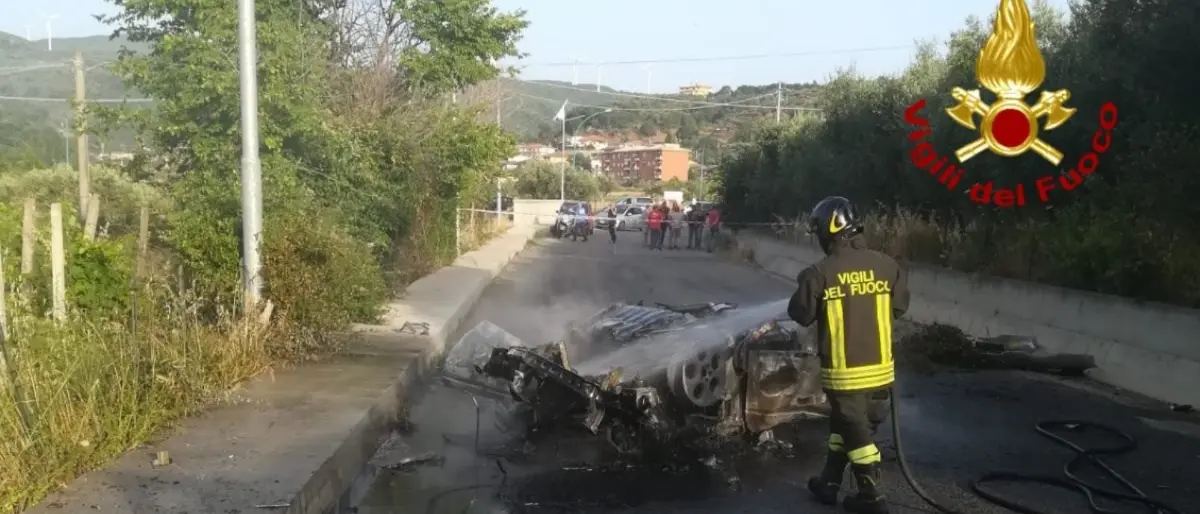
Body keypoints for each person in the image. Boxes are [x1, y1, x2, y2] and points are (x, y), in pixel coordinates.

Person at [786, 196, 910, 514]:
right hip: (882, 371)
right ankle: (829, 483)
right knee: (849, 427)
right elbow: (899, 307)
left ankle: (872, 495)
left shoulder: (819, 273)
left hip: (846, 374)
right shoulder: (887, 266)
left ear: (829, 229)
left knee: (857, 434)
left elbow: (800, 314)